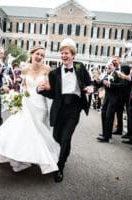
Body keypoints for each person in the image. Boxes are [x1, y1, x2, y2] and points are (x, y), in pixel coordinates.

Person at [0, 45, 60, 174]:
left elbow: (51, 87)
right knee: (24, 130)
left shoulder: (47, 69)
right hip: (27, 102)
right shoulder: (25, 69)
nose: (39, 57)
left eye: (42, 55)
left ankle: (39, 156)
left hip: (40, 103)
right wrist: (18, 97)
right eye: (37, 54)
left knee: (39, 130)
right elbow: (22, 86)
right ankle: (23, 156)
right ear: (32, 54)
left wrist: (47, 87)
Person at [37, 38, 93, 182]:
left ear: (73, 55)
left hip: (74, 107)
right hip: (59, 107)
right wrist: (40, 90)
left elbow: (89, 83)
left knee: (66, 137)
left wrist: (91, 88)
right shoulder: (54, 73)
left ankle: (60, 167)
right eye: (62, 53)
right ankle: (59, 155)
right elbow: (52, 93)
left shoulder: (80, 67)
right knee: (56, 137)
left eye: (66, 53)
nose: (63, 55)